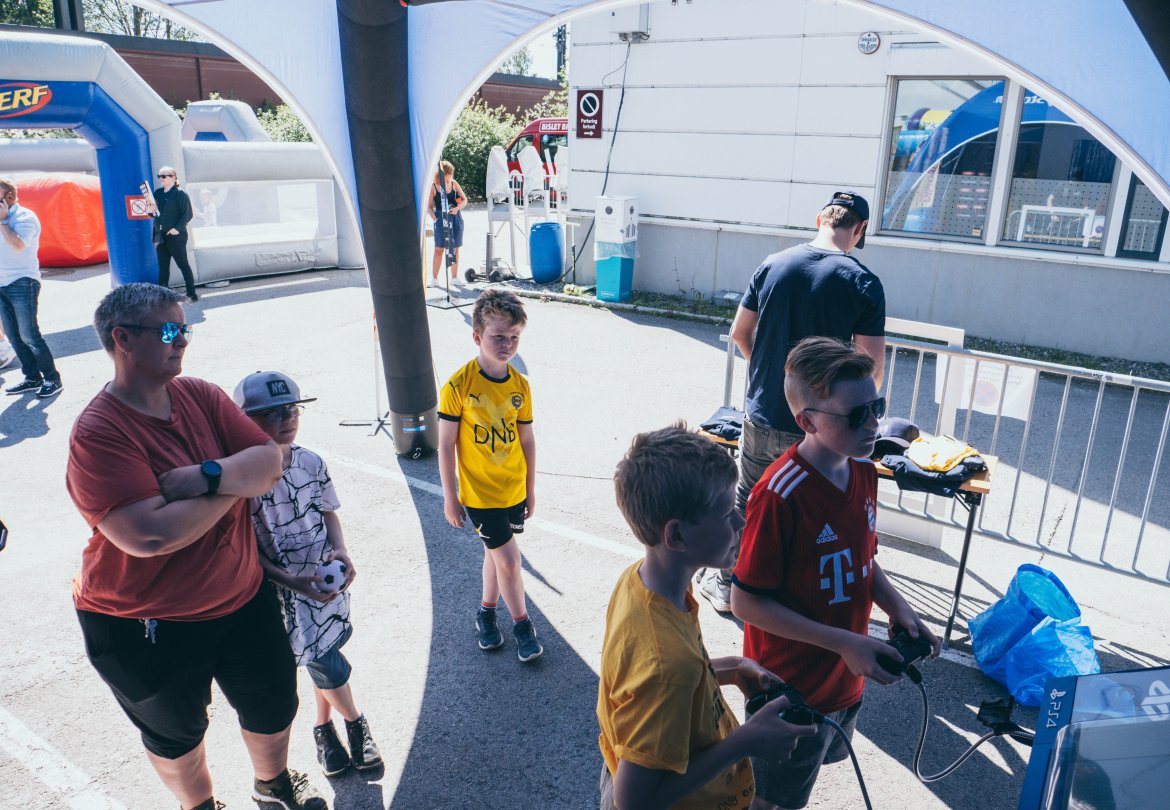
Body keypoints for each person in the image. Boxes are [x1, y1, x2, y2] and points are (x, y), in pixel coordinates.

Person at [65, 283, 328, 810]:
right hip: (143, 617)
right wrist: (235, 483)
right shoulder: (99, 432)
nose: (182, 339)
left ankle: (272, 784)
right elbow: (150, 536)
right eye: (169, 330)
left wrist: (202, 477)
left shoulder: (201, 395)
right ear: (123, 339)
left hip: (240, 595)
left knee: (274, 705)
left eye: (185, 329)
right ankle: (200, 806)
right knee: (177, 735)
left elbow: (270, 461)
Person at [730, 337, 940, 810]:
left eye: (876, 408)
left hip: (844, 678)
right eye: (856, 415)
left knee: (805, 774)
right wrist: (845, 642)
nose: (873, 424)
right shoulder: (780, 493)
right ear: (807, 421)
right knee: (769, 798)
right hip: (790, 688)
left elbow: (863, 559)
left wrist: (900, 608)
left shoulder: (863, 470)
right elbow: (745, 601)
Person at [598, 424, 816, 810]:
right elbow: (632, 802)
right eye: (726, 512)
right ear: (677, 536)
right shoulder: (669, 666)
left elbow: (646, 680)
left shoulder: (641, 583)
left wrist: (731, 668)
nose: (740, 522)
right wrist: (745, 741)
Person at [700, 191, 885, 613]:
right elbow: (871, 370)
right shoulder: (863, 283)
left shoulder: (773, 264)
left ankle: (728, 585)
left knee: (750, 501)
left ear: (820, 219)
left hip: (763, 413)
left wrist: (783, 383)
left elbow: (740, 333)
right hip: (824, 426)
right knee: (813, 514)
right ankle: (792, 595)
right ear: (859, 230)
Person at [234, 370, 383, 778]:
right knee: (324, 661)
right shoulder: (242, 478)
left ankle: (322, 728)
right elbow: (245, 549)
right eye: (273, 412)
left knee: (325, 653)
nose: (288, 418)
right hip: (282, 591)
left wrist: (341, 550)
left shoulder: (311, 461)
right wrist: (291, 582)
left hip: (324, 579)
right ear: (245, 420)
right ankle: (356, 724)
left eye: (293, 409)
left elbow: (328, 511)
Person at [437, 288, 542, 661]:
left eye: (514, 337)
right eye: (498, 336)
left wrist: (530, 489)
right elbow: (445, 444)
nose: (507, 344)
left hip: (513, 488)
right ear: (477, 337)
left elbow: (526, 440)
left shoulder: (520, 386)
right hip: (480, 495)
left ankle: (485, 614)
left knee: (495, 554)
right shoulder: (458, 385)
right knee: (510, 561)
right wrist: (451, 497)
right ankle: (522, 625)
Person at [0, 177, 63, 398]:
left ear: (8, 197)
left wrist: (2, 221)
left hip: (22, 281)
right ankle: (32, 377)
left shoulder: (25, 217)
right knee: (14, 336)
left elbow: (18, 245)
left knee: (29, 335)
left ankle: (53, 379)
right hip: (1, 283)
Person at [150, 166, 198, 302]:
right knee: (163, 266)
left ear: (173, 178)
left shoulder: (180, 194)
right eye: (159, 176)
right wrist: (151, 210)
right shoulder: (158, 193)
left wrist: (176, 228)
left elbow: (188, 213)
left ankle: (191, 293)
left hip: (176, 236)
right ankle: (161, 295)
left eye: (164, 176)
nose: (161, 178)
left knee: (182, 264)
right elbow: (153, 214)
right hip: (160, 235)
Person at [428, 160, 467, 287]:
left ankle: (454, 278)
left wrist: (457, 208)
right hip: (441, 218)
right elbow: (429, 207)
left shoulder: (454, 183)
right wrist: (435, 219)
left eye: (451, 173)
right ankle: (434, 279)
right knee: (439, 248)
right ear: (442, 173)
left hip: (455, 218)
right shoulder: (434, 186)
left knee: (455, 248)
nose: (450, 175)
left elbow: (464, 200)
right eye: (448, 173)